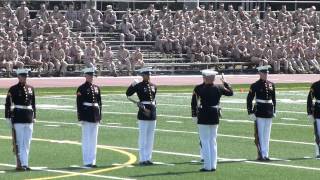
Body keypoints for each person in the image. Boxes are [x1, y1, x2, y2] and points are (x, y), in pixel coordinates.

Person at [191, 69, 233, 172]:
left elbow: (193, 102)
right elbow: (231, 93)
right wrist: (225, 82)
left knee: (205, 141)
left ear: (204, 77)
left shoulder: (198, 88)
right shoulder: (219, 87)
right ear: (213, 78)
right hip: (214, 114)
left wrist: (194, 115)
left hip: (203, 115)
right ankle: (213, 165)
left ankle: (207, 165)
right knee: (213, 141)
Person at [5, 68, 36, 171]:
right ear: (18, 77)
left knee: (27, 142)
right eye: (22, 76)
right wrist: (8, 117)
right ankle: (20, 163)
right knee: (19, 142)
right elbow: (8, 104)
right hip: (18, 117)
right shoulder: (13, 89)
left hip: (29, 117)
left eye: (25, 76)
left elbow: (33, 104)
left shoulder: (31, 88)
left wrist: (34, 116)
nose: (24, 78)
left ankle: (25, 163)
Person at [126, 68, 157, 165]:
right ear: (143, 75)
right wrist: (132, 84)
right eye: (147, 74)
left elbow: (154, 99)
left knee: (150, 137)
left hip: (152, 111)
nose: (149, 76)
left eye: (149, 74)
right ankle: (142, 159)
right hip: (143, 111)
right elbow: (128, 94)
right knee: (143, 137)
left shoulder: (154, 86)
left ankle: (148, 158)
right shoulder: (139, 86)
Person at [247, 65, 276, 161]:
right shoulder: (255, 85)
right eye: (264, 73)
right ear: (260, 73)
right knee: (260, 134)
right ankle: (261, 154)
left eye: (267, 73)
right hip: (259, 111)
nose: (266, 74)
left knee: (267, 134)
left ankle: (266, 154)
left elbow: (274, 99)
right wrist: (250, 111)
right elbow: (249, 99)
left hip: (269, 111)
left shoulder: (271, 84)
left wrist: (274, 110)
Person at [76, 67, 102, 168]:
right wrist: (80, 117)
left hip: (95, 115)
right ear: (85, 76)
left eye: (92, 75)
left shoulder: (96, 88)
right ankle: (87, 161)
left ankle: (93, 161)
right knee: (87, 139)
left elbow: (100, 103)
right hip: (86, 115)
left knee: (94, 140)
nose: (91, 77)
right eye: (89, 75)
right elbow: (79, 104)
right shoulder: (81, 88)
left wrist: (100, 116)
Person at [307, 79, 320, 159]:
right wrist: (309, 112)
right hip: (318, 111)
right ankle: (318, 152)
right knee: (318, 132)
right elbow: (310, 98)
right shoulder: (315, 85)